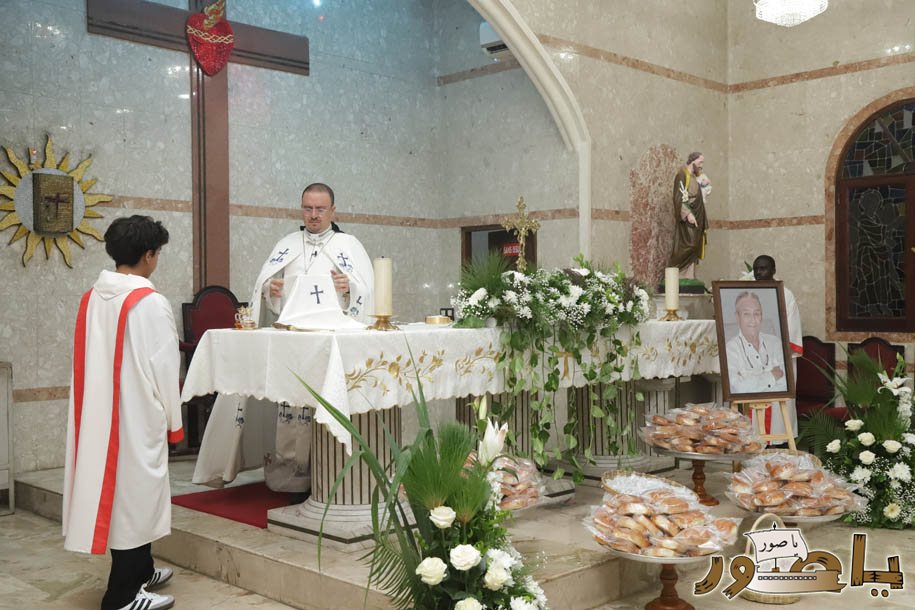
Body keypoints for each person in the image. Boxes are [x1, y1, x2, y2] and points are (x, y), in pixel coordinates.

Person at [193, 183, 374, 492]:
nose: (313, 215)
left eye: (320, 209)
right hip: (293, 344)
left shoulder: (349, 246)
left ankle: (327, 473)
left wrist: (350, 288)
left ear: (333, 211)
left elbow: (366, 292)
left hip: (330, 346)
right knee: (293, 407)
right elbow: (267, 291)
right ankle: (290, 476)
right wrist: (270, 291)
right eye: (307, 208)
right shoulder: (287, 244)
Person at [63, 216, 182, 610]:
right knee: (134, 501)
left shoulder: (92, 296)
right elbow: (165, 367)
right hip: (136, 417)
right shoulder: (149, 302)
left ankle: (142, 570)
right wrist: (175, 424)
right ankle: (122, 596)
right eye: (158, 253)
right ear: (149, 256)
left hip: (99, 416)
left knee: (127, 499)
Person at [753, 254, 803, 440]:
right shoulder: (748, 294)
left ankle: (780, 441)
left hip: (778, 359)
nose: (759, 272)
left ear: (774, 270)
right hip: (752, 359)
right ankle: (756, 440)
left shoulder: (785, 295)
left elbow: (792, 326)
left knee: (778, 405)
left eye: (763, 268)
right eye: (756, 269)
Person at [725, 291, 787, 394]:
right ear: (737, 317)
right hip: (746, 409)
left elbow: (786, 384)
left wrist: (750, 381)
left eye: (756, 314)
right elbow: (737, 389)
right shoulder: (730, 349)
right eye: (746, 314)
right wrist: (772, 375)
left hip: (777, 408)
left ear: (761, 316)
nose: (752, 320)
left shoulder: (775, 343)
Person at [668, 152, 709, 279]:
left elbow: (705, 189)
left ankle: (688, 276)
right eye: (700, 162)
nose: (701, 165)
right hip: (688, 214)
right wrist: (687, 214)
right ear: (692, 161)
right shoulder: (682, 175)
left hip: (697, 213)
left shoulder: (695, 176)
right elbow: (678, 197)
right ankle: (675, 272)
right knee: (688, 244)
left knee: (695, 246)